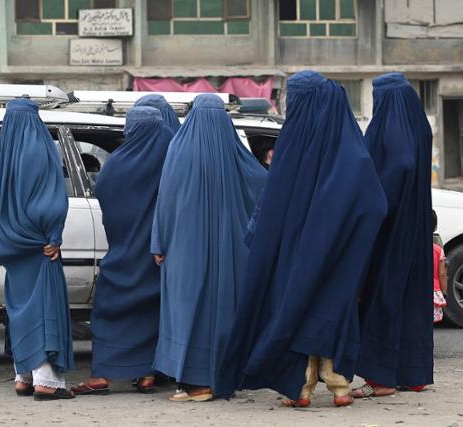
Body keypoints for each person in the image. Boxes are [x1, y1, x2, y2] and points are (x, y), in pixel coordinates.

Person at [217, 70, 387, 408]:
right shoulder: (351, 150)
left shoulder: (293, 145)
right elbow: (375, 204)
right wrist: (346, 239)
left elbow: (271, 202)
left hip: (294, 253)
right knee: (331, 308)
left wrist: (261, 238)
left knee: (294, 308)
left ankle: (303, 386)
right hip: (339, 254)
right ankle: (338, 385)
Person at [151, 94, 267, 402]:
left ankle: (195, 383)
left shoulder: (179, 149)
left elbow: (166, 200)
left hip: (184, 251)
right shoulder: (236, 153)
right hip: (230, 253)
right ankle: (220, 377)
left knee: (187, 311)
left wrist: (158, 243)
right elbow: (263, 185)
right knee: (224, 311)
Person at [71, 106, 174, 396]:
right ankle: (146, 375)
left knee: (108, 310)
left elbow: (106, 200)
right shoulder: (170, 162)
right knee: (152, 313)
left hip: (122, 252)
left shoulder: (115, 163)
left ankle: (102, 375)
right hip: (157, 256)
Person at [352, 73, 434, 399]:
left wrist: (378, 200)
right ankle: (413, 373)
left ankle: (382, 379)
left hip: (393, 226)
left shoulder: (392, 128)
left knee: (384, 296)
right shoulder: (418, 124)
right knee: (412, 299)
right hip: (416, 225)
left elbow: (400, 162)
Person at [0, 98, 74, 401]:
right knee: (43, 307)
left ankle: (23, 376)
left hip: (13, 245)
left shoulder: (3, 154)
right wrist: (54, 234)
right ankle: (46, 382)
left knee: (20, 308)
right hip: (40, 244)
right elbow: (51, 200)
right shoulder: (39, 148)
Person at [433, 211, 448, 323]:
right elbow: (442, 274)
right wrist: (444, 292)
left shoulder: (410, 247)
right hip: (433, 292)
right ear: (435, 227)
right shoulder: (438, 250)